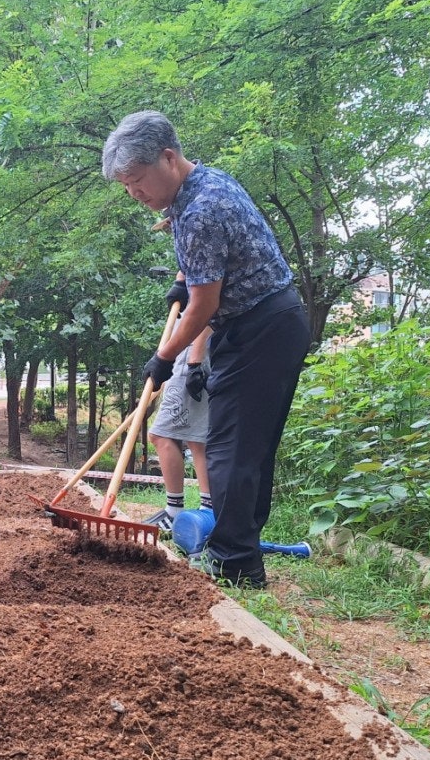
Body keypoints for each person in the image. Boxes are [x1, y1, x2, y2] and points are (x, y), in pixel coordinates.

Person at [102, 110, 310, 588]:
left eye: (137, 181)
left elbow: (203, 308)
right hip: (268, 323)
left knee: (232, 449)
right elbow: (206, 271)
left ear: (168, 158)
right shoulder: (204, 184)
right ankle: (240, 548)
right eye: (126, 186)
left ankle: (234, 563)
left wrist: (165, 357)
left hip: (260, 327)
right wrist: (182, 281)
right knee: (244, 448)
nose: (135, 194)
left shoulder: (199, 210)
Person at [143, 275, 213, 533]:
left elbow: (210, 306)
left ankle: (176, 512)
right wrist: (181, 282)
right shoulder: (196, 244)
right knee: (197, 439)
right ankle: (208, 511)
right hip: (189, 346)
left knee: (162, 435)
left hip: (194, 351)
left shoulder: (204, 240)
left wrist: (194, 361)